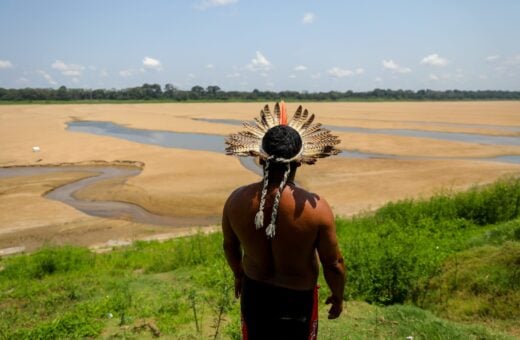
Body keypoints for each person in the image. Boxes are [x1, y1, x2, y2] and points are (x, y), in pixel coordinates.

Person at [222, 102, 346, 340]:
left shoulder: (236, 200)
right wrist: (338, 296)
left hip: (254, 291)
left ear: (260, 159)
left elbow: (229, 246)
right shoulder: (317, 209)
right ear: (300, 161)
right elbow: (334, 263)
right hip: (297, 298)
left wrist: (239, 275)